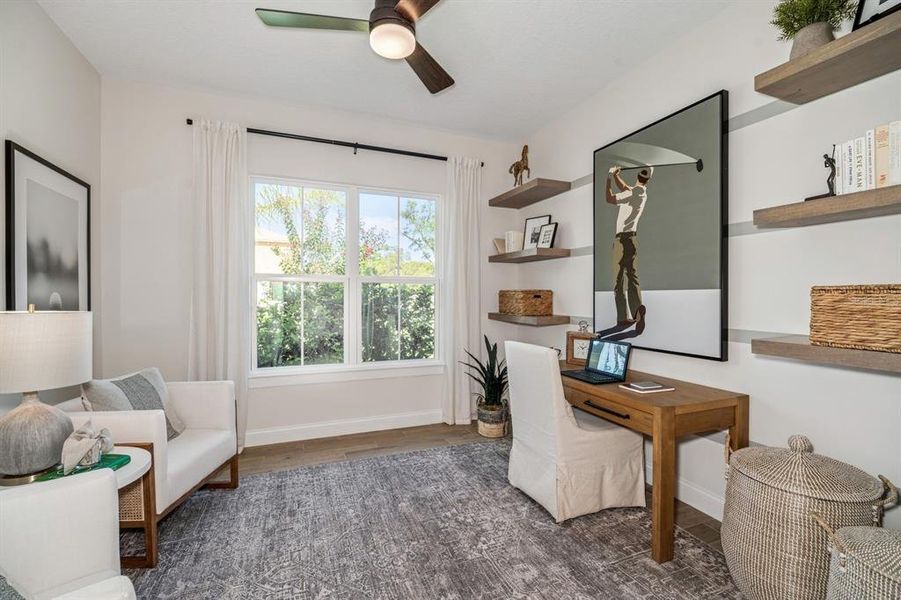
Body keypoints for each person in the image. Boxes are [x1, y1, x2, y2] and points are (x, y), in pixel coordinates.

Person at [605, 165, 653, 327]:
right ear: (648, 179)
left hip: (621, 241)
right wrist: (617, 176)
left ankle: (622, 317)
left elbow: (609, 198)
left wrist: (609, 177)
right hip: (632, 239)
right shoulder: (638, 193)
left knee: (618, 281)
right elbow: (624, 187)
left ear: (638, 176)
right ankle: (637, 310)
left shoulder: (633, 193)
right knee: (632, 277)